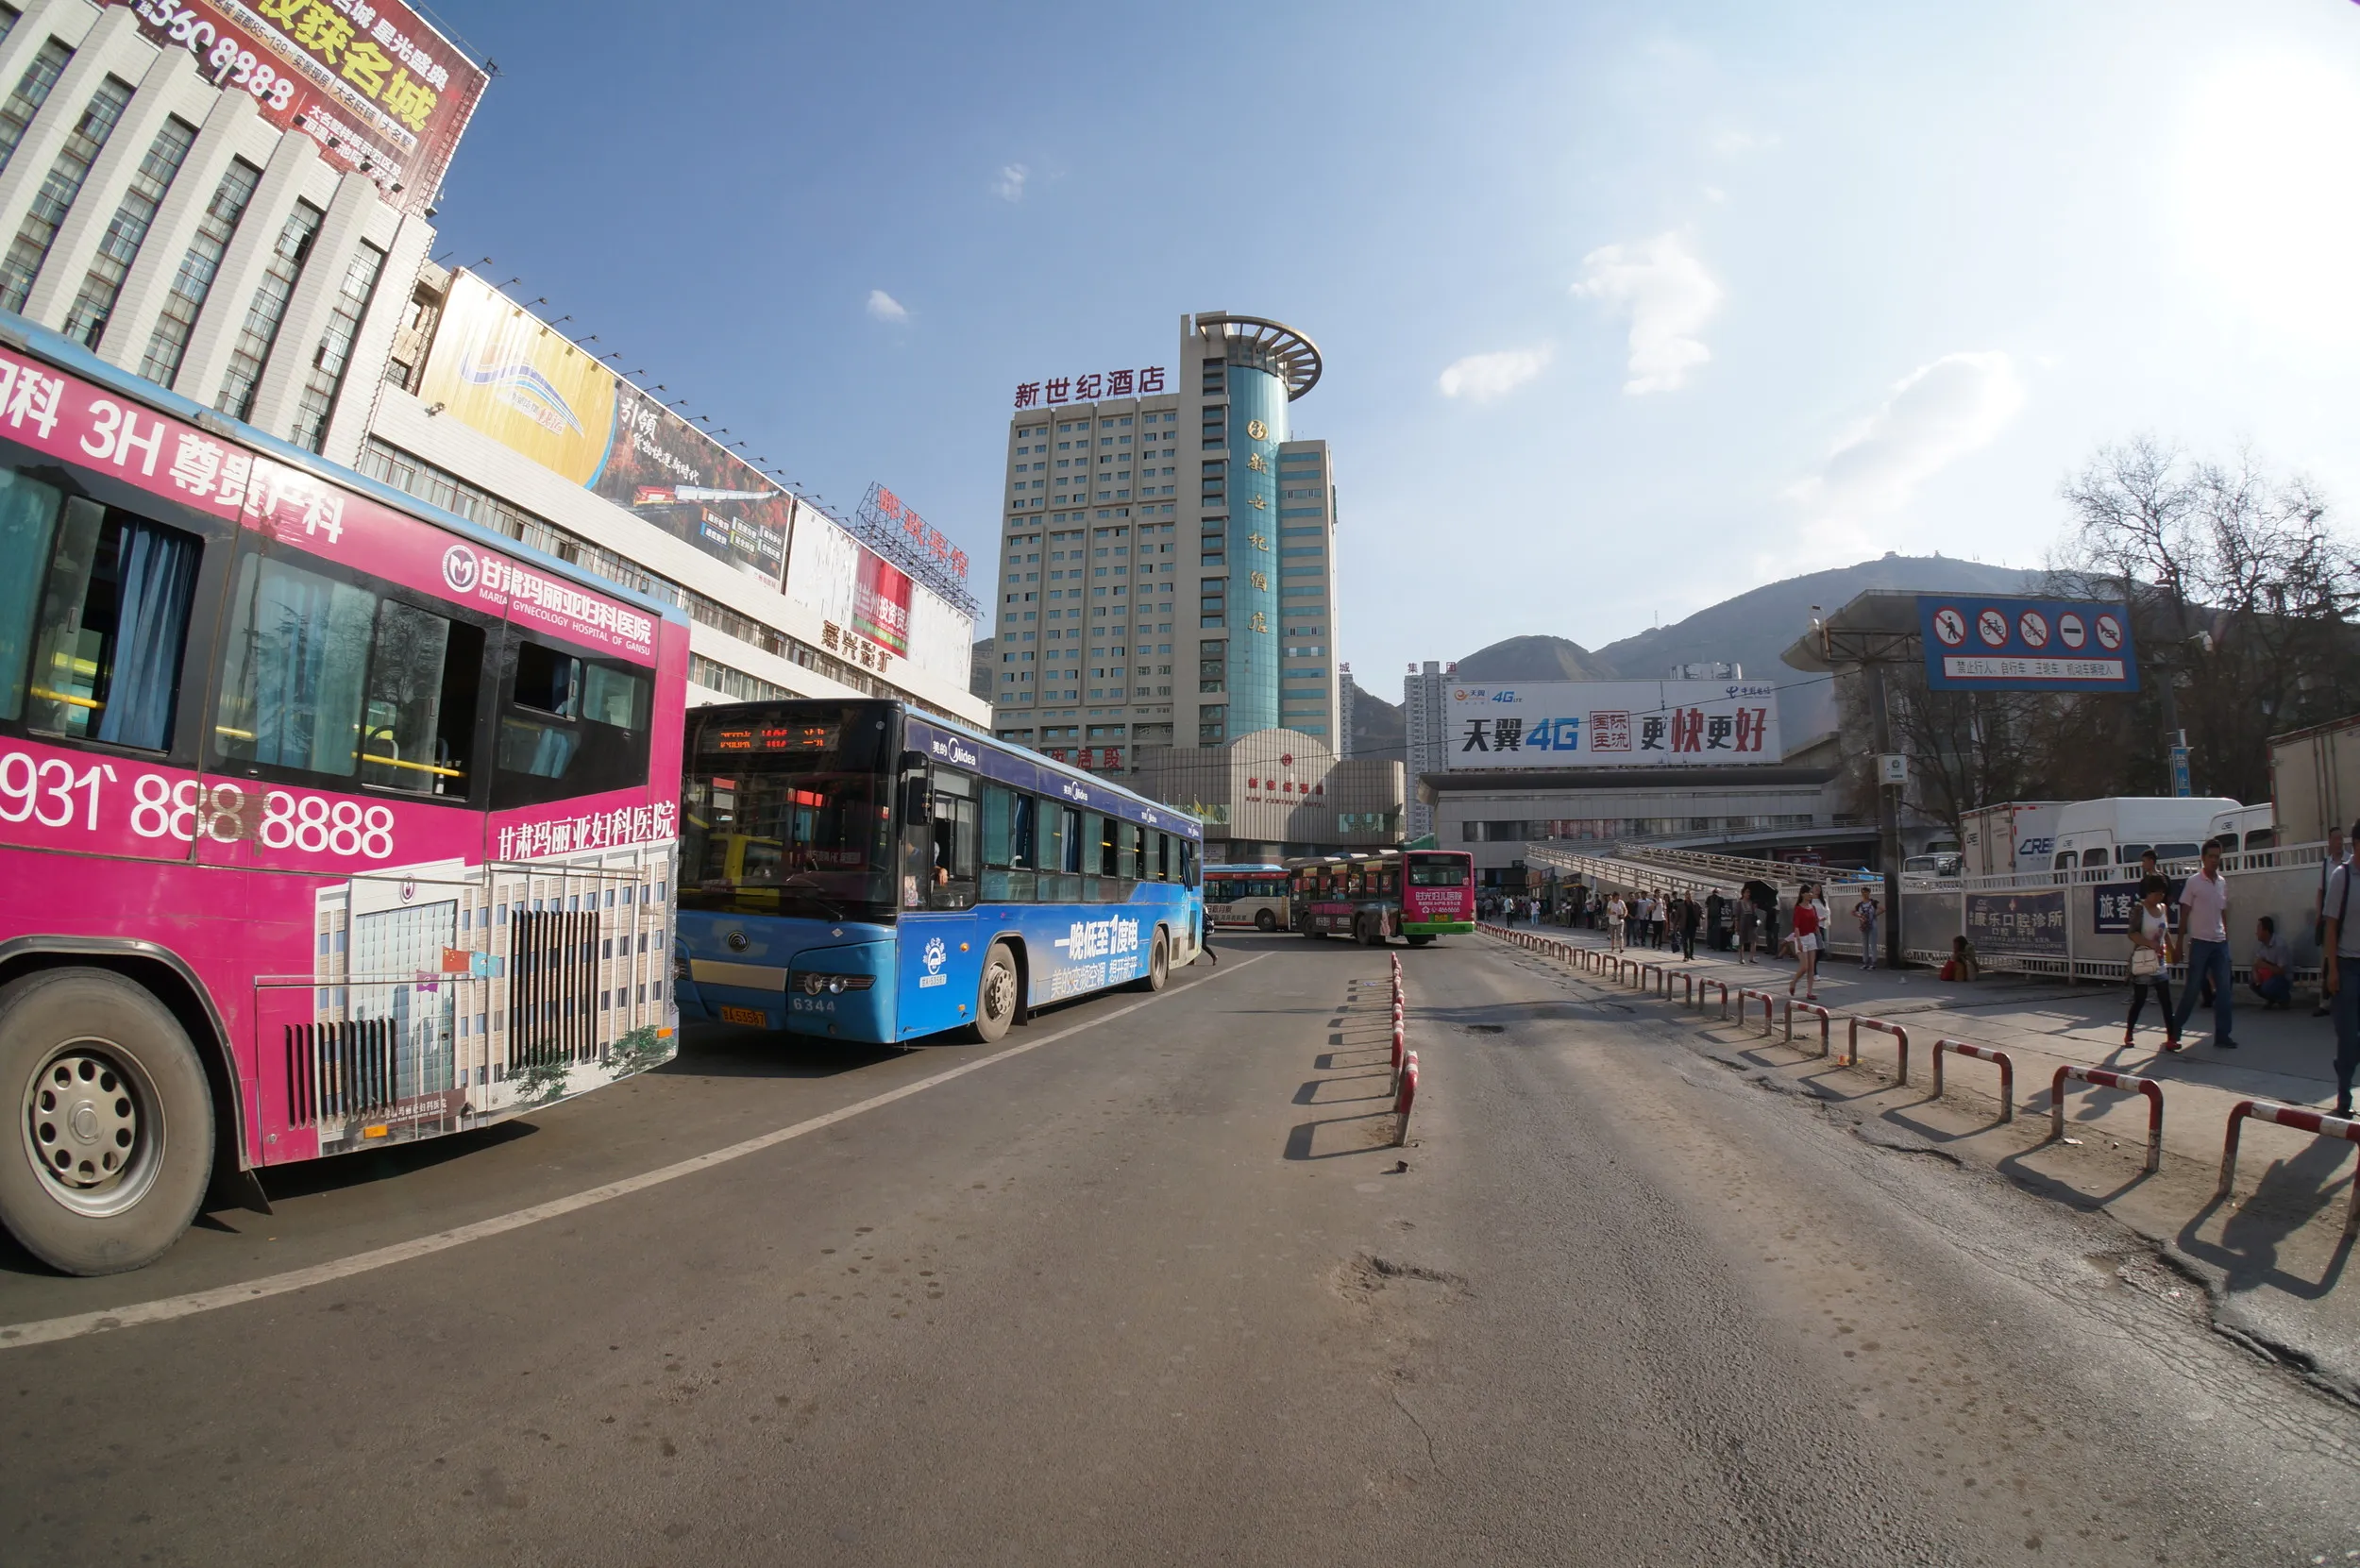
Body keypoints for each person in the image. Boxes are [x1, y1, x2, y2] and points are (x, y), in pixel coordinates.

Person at [2170, 839, 2236, 1050]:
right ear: (2203, 858)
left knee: (2224, 991)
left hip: (2219, 943)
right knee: (2192, 989)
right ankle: (2175, 1031)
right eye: (2211, 857)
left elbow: (2223, 912)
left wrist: (2226, 938)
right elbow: (2184, 914)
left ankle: (2223, 1035)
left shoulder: (2222, 882)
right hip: (2200, 943)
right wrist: (2179, 944)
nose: (2214, 861)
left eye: (2217, 857)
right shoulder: (2193, 882)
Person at [2324, 821, 2360, 1118]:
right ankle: (2344, 1100)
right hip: (2347, 967)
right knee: (2347, 1036)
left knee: (2352, 1045)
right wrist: (2333, 969)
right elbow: (2331, 926)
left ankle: (2344, 1062)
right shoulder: (2342, 877)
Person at [2125, 873, 2179, 1051]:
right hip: (2144, 960)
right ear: (2148, 892)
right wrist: (2150, 943)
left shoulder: (2163, 908)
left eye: (2162, 894)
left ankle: (2171, 1037)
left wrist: (2172, 949)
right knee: (2140, 1000)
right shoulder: (2140, 909)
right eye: (2156, 893)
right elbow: (2132, 933)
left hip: (2160, 962)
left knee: (2166, 1001)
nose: (2159, 897)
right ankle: (2129, 1032)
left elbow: (2166, 932)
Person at [2318, 826, 2350, 1019]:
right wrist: (2319, 916)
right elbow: (2320, 891)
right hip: (2329, 918)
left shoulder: (2349, 862)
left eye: (2341, 838)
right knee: (2327, 960)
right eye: (2335, 839)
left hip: (2346, 919)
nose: (2338, 842)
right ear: (2329, 842)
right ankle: (2324, 1002)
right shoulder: (2326, 865)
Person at [1788, 883, 1823, 1002]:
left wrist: (1819, 936)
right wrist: (1798, 941)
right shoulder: (1798, 908)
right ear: (1803, 894)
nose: (1810, 894)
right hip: (1801, 938)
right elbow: (1796, 926)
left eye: (1811, 892)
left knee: (1811, 967)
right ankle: (1793, 982)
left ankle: (1809, 992)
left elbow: (1815, 923)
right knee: (1804, 967)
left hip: (1811, 937)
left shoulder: (1813, 908)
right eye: (1808, 892)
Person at [2248, 916, 2292, 1010]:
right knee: (2253, 982)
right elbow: (2256, 963)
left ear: (2266, 931)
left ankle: (2284, 998)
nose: (2256, 933)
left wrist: (2265, 965)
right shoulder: (2261, 945)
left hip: (2282, 978)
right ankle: (2271, 999)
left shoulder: (2280, 945)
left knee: (2267, 986)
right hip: (2268, 976)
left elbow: (2282, 971)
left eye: (2259, 930)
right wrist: (2255, 974)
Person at [1854, 890, 1880, 970]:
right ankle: (1865, 962)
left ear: (1869, 893)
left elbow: (1883, 909)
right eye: (1863, 892)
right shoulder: (1860, 904)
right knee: (1865, 943)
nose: (1865, 894)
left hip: (1872, 924)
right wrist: (1860, 916)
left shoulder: (1873, 902)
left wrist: (1875, 915)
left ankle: (1873, 962)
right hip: (1864, 925)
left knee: (1873, 943)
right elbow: (1853, 912)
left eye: (1866, 892)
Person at [1680, 894, 1699, 961]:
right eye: (1687, 895)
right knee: (1685, 941)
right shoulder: (1682, 905)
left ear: (1691, 896)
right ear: (1685, 897)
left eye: (1689, 895)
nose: (1688, 897)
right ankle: (1686, 956)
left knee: (1692, 941)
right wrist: (1676, 923)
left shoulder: (1696, 904)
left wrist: (1702, 915)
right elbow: (1677, 914)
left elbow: (1700, 911)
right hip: (1684, 925)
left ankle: (1691, 955)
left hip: (1692, 925)